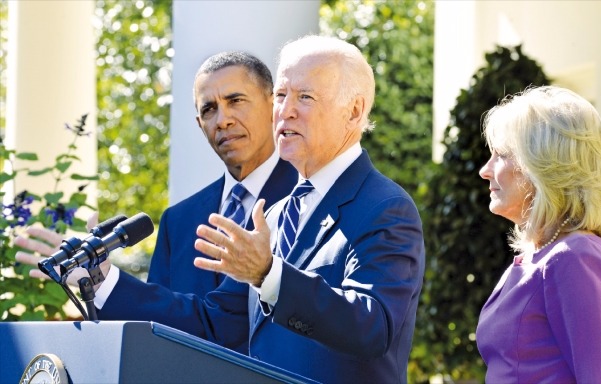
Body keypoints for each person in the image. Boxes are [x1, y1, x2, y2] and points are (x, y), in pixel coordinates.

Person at [89, 35, 425, 383]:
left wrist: (270, 275)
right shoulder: (277, 215)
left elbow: (372, 326)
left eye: (305, 97)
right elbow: (214, 324)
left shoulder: (386, 207)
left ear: (354, 111)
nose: (286, 110)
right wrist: (102, 282)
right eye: (281, 95)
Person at [14, 52, 298, 302]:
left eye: (235, 100)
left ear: (274, 106)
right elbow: (156, 333)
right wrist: (99, 279)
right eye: (208, 109)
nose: (222, 119)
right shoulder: (179, 221)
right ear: (200, 125)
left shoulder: (308, 196)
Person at [476, 85, 601, 382]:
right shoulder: (540, 255)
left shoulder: (575, 257)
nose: (485, 170)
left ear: (543, 165)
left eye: (500, 155)